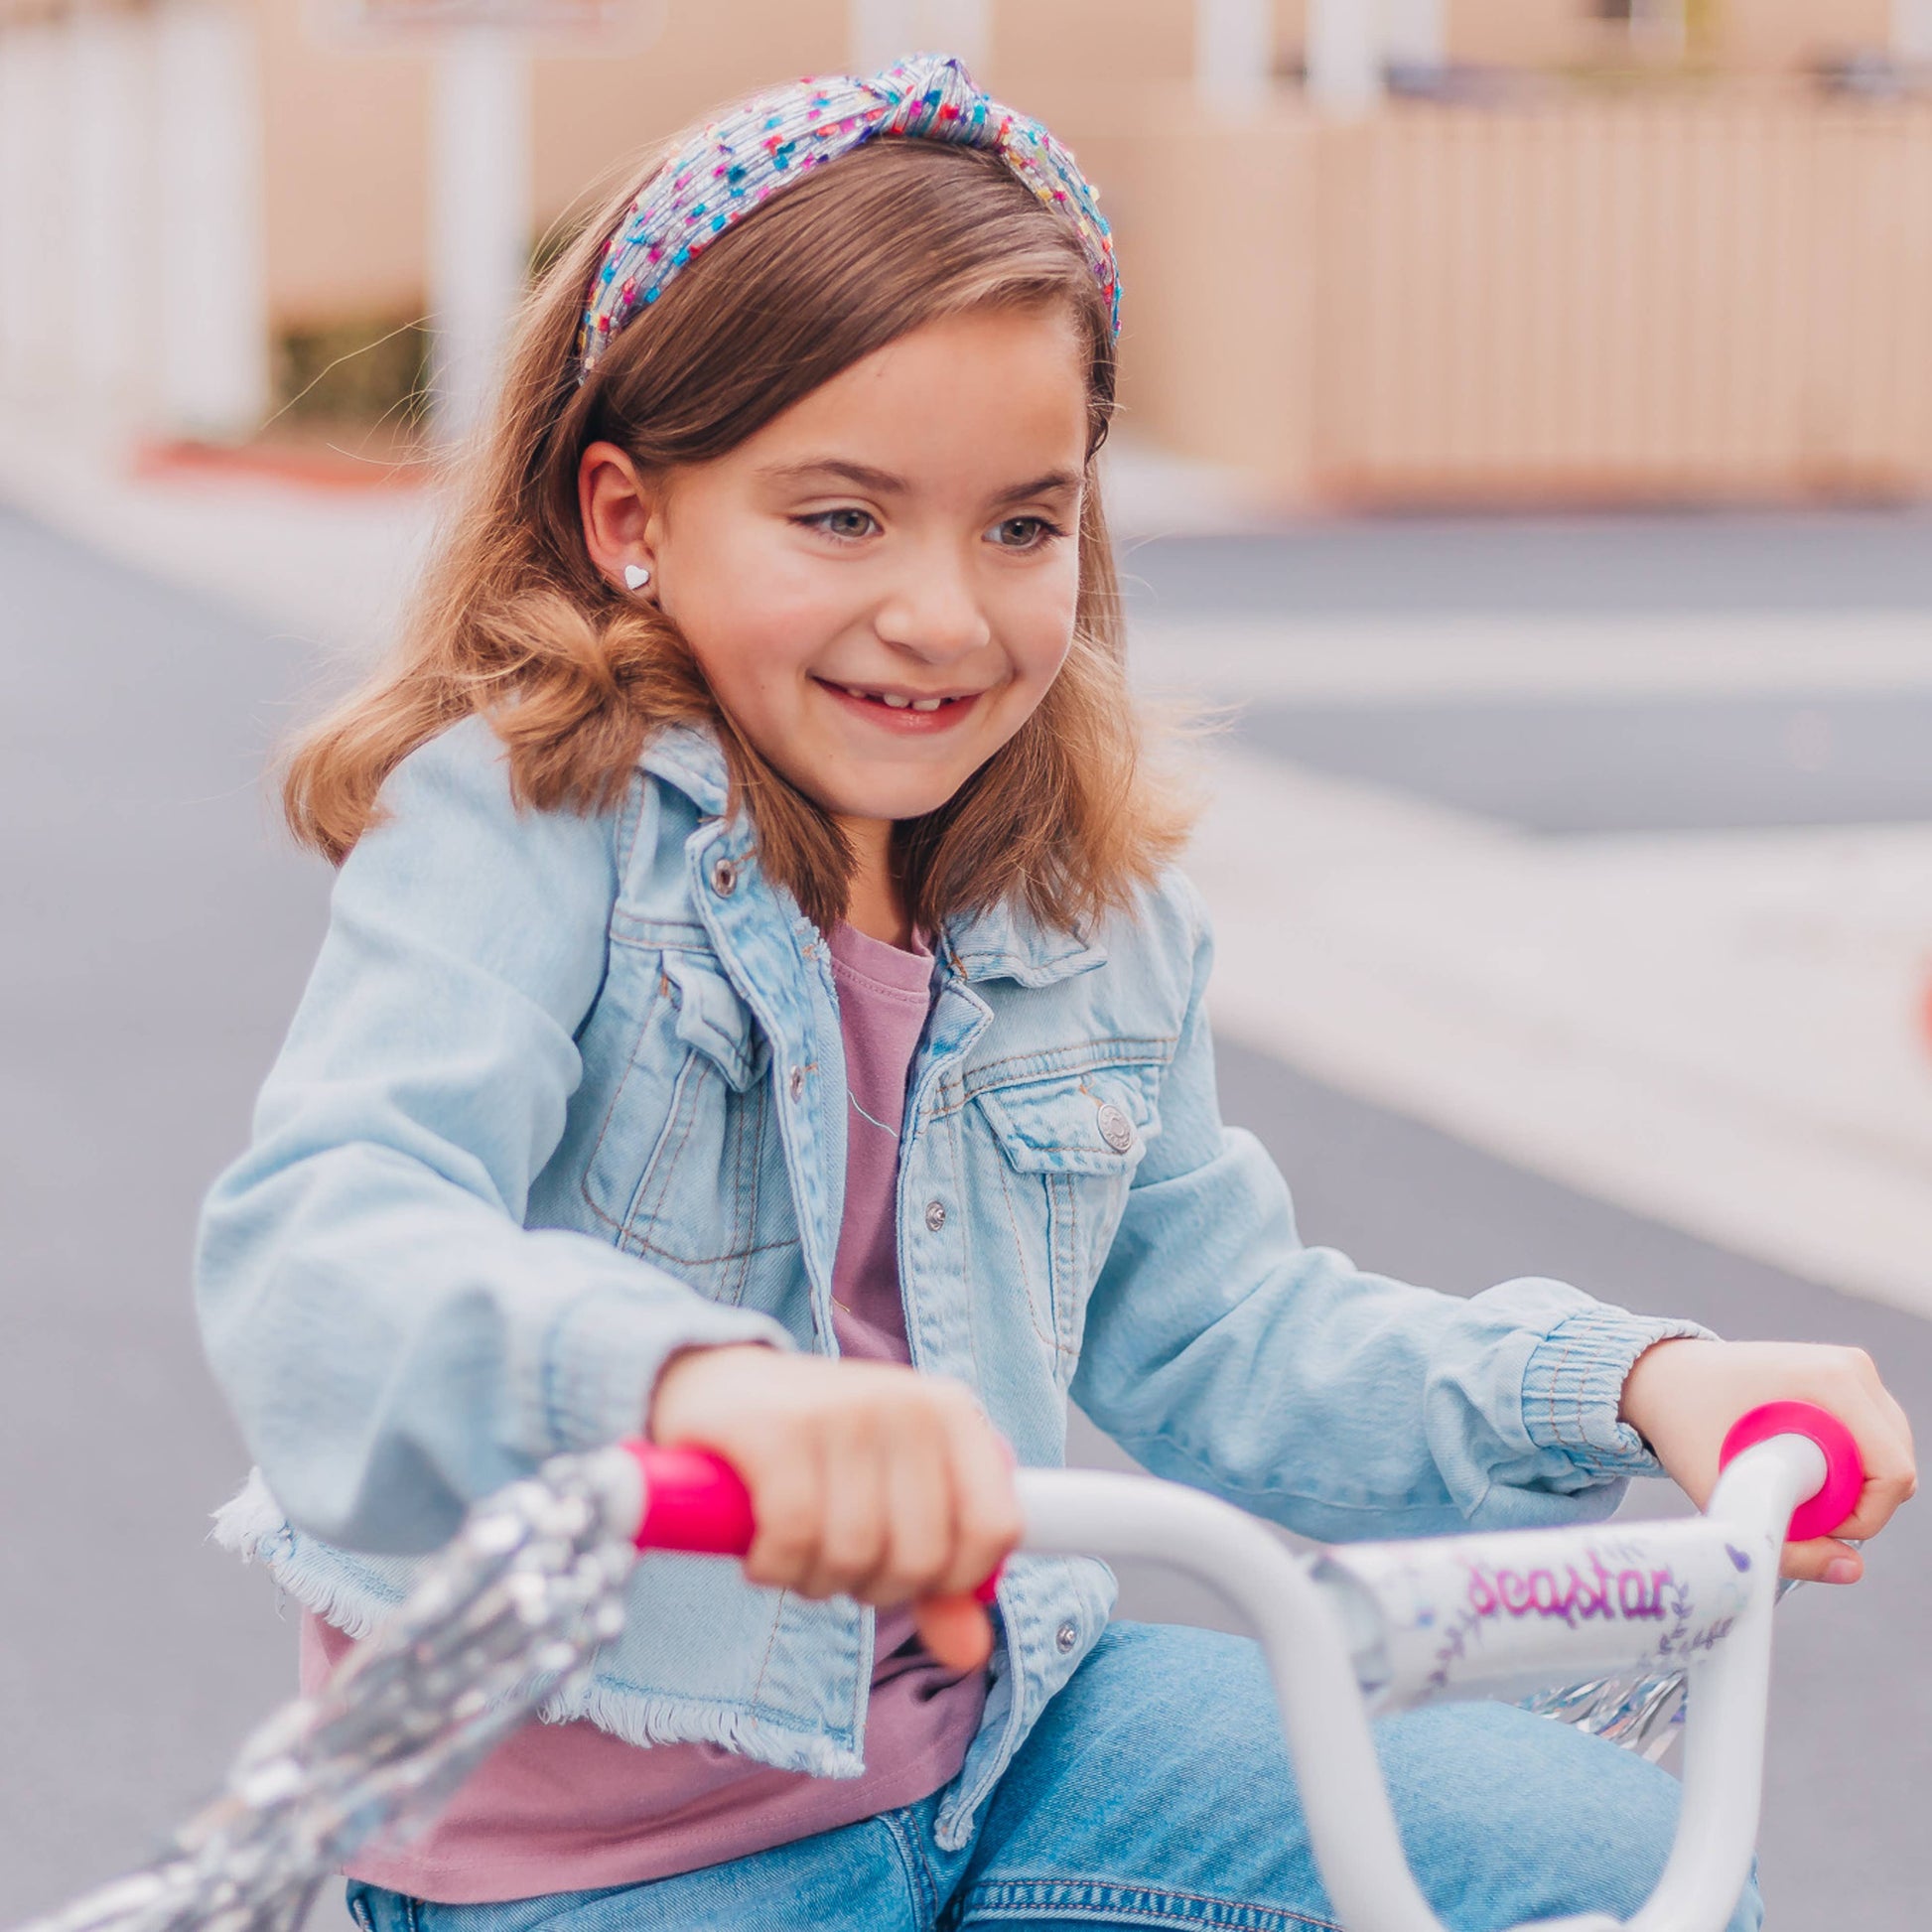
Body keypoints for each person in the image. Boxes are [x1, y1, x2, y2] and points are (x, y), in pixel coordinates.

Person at [196, 54, 1913, 1932]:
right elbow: (322, 1252)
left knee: (1604, 1864)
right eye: (840, 518)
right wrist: (693, 1388)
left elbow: (1222, 1327)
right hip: (596, 1852)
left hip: (993, 1741)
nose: (945, 613)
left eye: (1021, 525)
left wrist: (1631, 1379)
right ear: (630, 515)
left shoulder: (1068, 901)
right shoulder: (527, 824)